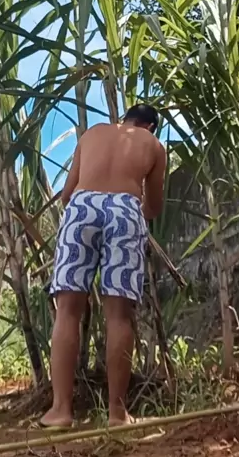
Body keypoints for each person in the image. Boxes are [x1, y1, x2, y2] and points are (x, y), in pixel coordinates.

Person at [41, 104, 167, 428]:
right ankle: (117, 414)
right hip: (125, 209)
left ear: (125, 119)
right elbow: (153, 206)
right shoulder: (153, 145)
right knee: (119, 315)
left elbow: (67, 194)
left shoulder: (92, 133)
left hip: (82, 206)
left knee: (68, 310)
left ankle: (61, 410)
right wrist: (135, 209)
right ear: (150, 126)